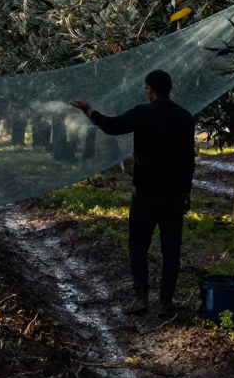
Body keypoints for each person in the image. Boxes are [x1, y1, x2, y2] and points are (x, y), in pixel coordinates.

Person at [71, 69, 195, 319]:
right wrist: (185, 192)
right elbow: (188, 159)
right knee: (171, 250)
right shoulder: (185, 117)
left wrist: (89, 111)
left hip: (146, 194)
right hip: (173, 196)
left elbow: (112, 126)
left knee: (138, 244)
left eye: (146, 88)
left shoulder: (143, 113)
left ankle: (141, 298)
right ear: (169, 89)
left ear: (150, 89)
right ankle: (165, 303)